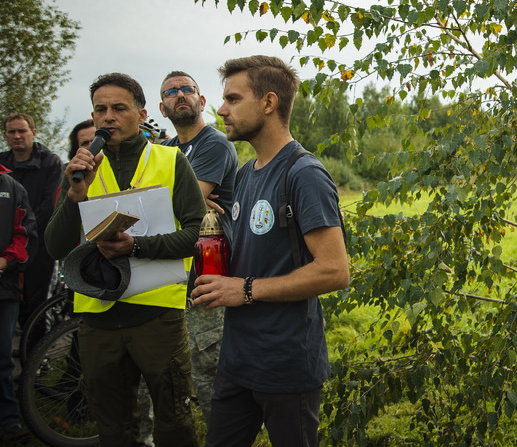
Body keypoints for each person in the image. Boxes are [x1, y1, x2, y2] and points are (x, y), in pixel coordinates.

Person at [191, 55, 350, 446]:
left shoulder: (304, 173)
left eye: (232, 98)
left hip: (285, 365)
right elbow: (254, 248)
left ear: (269, 102)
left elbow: (334, 271)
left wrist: (243, 290)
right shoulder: (246, 174)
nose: (221, 110)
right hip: (237, 359)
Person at [44, 72, 206, 447]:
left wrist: (136, 247)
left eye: (119, 108)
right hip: (97, 318)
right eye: (100, 110)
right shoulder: (79, 172)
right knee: (113, 425)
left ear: (141, 113)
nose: (108, 117)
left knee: (173, 420)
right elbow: (54, 248)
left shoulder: (170, 161)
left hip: (157, 316)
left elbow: (197, 235)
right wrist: (74, 196)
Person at [159, 70, 238, 422]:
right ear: (163, 108)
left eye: (187, 89)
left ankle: (226, 431)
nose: (180, 95)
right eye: (171, 92)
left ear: (201, 101)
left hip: (209, 269)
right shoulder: (164, 150)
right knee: (176, 361)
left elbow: (185, 206)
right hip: (172, 267)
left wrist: (180, 202)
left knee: (209, 365)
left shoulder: (213, 143)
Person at [0, 113, 63, 336]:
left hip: (40, 245)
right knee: (12, 302)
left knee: (37, 303)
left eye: (22, 131)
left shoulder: (50, 162)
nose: (17, 136)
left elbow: (50, 204)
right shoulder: (2, 164)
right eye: (11, 132)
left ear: (33, 133)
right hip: (8, 247)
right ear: (5, 135)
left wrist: (26, 231)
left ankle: (37, 361)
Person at [0, 165, 36, 445]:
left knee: (2, 360)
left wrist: (5, 261)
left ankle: (8, 423)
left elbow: (25, 234)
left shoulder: (12, 187)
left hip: (4, 287)